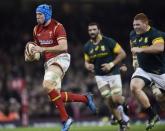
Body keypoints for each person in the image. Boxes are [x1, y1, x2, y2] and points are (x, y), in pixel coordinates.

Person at [25, 4, 96, 131]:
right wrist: (32, 54)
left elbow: (63, 46)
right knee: (53, 95)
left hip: (61, 58)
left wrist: (43, 49)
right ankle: (85, 98)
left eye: (40, 14)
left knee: (47, 84)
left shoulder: (58, 27)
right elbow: (38, 49)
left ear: (47, 14)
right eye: (36, 14)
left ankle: (66, 119)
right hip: (48, 62)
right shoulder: (36, 29)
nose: (37, 17)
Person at [83, 22, 129, 131]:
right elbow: (86, 61)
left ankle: (125, 106)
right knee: (109, 100)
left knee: (116, 98)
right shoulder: (87, 46)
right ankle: (121, 123)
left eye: (94, 29)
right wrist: (88, 66)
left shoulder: (108, 41)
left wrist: (111, 64)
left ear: (99, 30)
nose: (92, 32)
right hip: (100, 77)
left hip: (113, 74)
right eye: (90, 30)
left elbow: (122, 53)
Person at [130, 13, 165, 130]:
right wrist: (134, 59)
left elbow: (160, 48)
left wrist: (140, 50)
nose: (135, 27)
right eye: (134, 25)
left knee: (161, 98)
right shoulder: (133, 34)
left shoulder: (156, 34)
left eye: (138, 25)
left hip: (160, 71)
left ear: (146, 24)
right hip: (144, 69)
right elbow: (133, 48)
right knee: (134, 87)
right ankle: (152, 115)